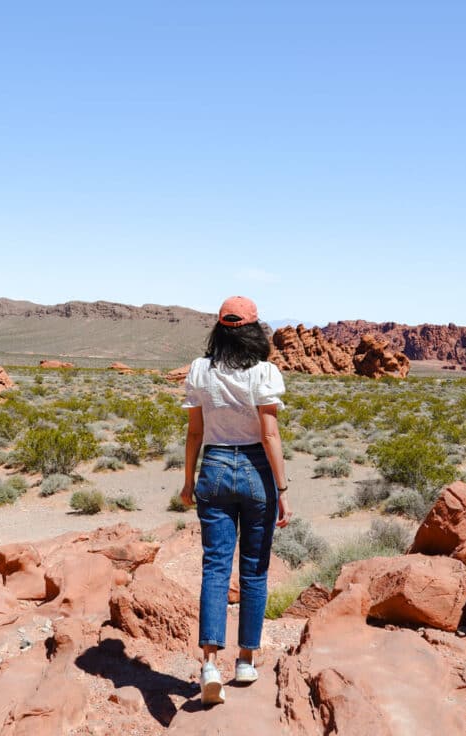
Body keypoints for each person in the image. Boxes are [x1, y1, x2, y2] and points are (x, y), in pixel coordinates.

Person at [180, 295, 291, 706]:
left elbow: (194, 432)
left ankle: (209, 664)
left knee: (214, 566)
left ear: (220, 329)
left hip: (214, 465)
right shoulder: (264, 373)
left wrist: (188, 481)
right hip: (256, 470)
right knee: (254, 570)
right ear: (253, 330)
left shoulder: (199, 370)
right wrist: (281, 489)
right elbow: (270, 435)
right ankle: (245, 660)